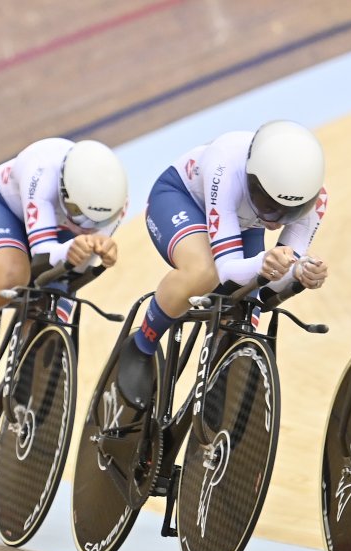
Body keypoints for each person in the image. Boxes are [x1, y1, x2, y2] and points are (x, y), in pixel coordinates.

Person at [115, 120, 331, 410]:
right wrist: (264, 262)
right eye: (269, 205)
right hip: (183, 199)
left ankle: (210, 395)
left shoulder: (314, 200)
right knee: (203, 272)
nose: (277, 221)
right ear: (252, 180)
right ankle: (143, 343)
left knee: (246, 312)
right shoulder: (226, 166)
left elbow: (272, 283)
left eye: (291, 212)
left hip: (242, 222)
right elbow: (227, 270)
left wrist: (300, 272)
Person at [0, 138, 127, 391]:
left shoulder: (113, 205)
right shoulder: (42, 168)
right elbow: (43, 253)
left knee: (53, 307)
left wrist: (101, 251)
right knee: (11, 276)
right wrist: (72, 248)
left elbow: (71, 278)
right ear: (64, 190)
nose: (87, 226)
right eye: (78, 212)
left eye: (96, 222)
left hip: (58, 230)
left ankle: (17, 383)